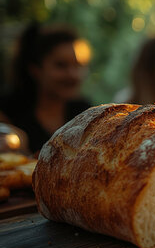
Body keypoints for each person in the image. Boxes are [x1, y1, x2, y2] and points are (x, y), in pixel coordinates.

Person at [0, 23, 91, 153]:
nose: (73, 74)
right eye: (61, 65)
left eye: (78, 65)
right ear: (35, 69)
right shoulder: (7, 113)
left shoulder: (84, 113)